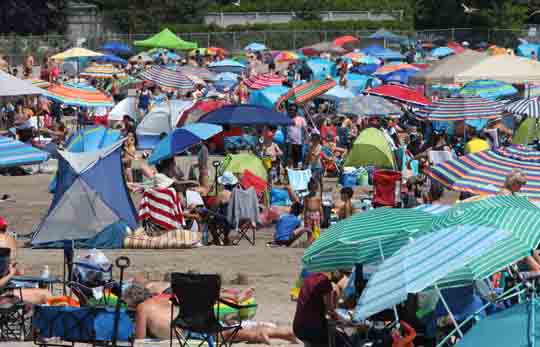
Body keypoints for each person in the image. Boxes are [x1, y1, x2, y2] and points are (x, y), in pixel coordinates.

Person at [124, 283, 297, 344]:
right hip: (194, 317)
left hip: (183, 332)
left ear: (133, 303)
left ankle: (259, 335)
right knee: (227, 333)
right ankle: (282, 332)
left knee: (227, 335)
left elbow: (140, 340)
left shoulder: (142, 308)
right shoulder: (161, 299)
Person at [293, 271, 347, 347]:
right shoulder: (324, 282)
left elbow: (295, 296)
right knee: (342, 340)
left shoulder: (307, 276)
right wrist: (342, 320)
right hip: (313, 328)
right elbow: (330, 311)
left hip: (298, 327)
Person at [303, 179, 322, 243]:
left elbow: (320, 207)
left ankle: (317, 240)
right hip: (308, 214)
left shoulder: (318, 197)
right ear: (309, 189)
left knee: (316, 228)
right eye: (312, 189)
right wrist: (304, 216)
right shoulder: (306, 197)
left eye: (314, 189)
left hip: (316, 214)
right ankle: (309, 240)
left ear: (316, 189)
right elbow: (305, 207)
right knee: (309, 229)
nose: (313, 191)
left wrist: (322, 215)